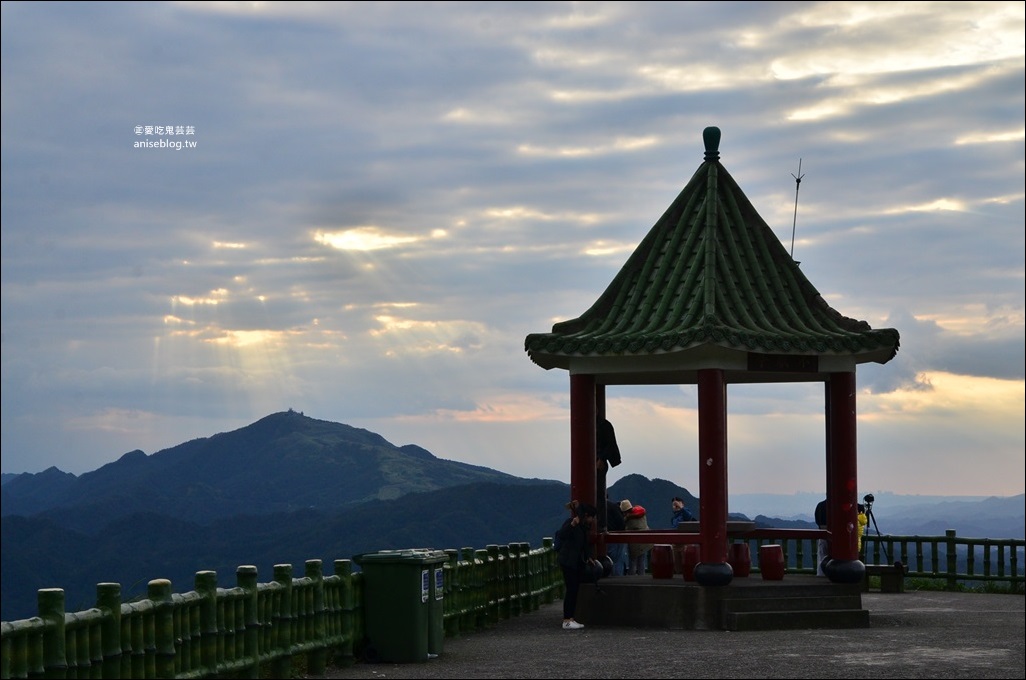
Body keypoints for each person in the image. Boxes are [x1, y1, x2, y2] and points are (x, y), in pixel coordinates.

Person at [556, 502, 597, 630]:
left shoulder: (583, 526)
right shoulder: (571, 523)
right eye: (591, 517)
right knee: (571, 590)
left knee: (573, 590)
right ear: (586, 515)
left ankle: (570, 618)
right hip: (568, 561)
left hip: (574, 562)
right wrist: (572, 525)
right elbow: (561, 535)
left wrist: (589, 556)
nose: (592, 520)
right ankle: (567, 620)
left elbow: (584, 544)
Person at [620, 499, 653, 575]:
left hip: (633, 541)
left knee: (632, 560)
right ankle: (642, 576)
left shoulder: (627, 519)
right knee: (641, 560)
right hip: (644, 540)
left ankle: (632, 577)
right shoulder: (641, 512)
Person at [605, 492, 627, 576]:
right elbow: (621, 522)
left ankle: (608, 577)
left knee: (606, 559)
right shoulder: (613, 506)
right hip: (616, 537)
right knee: (617, 560)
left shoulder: (595, 507)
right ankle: (618, 578)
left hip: (602, 539)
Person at [815, 499, 829, 576]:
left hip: (823, 534)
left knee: (822, 558)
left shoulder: (820, 505)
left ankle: (821, 576)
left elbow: (818, 521)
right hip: (838, 537)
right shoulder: (838, 505)